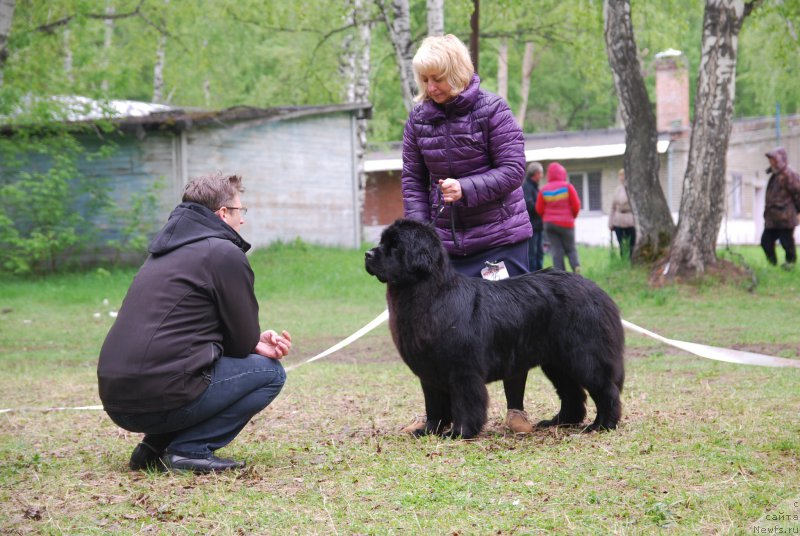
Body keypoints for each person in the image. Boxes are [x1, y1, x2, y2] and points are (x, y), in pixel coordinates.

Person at [97, 172, 292, 474]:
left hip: (116, 399)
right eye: (241, 211)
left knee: (188, 374)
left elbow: (188, 331)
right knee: (269, 373)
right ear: (223, 213)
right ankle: (190, 451)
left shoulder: (163, 251)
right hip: (159, 397)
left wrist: (254, 340)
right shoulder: (223, 252)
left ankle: (152, 448)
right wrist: (253, 341)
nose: (243, 220)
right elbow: (240, 345)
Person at [401, 34, 534, 434]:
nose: (430, 89)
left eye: (437, 78)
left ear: (457, 72)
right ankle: (436, 417)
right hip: (446, 247)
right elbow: (413, 180)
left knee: (510, 326)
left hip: (500, 238)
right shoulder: (419, 117)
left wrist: (467, 187)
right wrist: (424, 238)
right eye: (424, 80)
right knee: (435, 331)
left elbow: (514, 169)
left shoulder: (493, 109)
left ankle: (516, 409)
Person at [535, 162, 581, 273]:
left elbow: (539, 208)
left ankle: (561, 275)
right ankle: (576, 268)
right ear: (562, 173)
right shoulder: (567, 187)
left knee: (556, 250)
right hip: (566, 223)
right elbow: (576, 205)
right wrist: (572, 217)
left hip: (549, 225)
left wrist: (546, 218)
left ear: (549, 175)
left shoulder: (544, 190)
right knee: (570, 248)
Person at [761, 147, 800, 270]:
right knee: (765, 241)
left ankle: (790, 264)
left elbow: (798, 193)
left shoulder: (789, 174)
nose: (771, 162)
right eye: (770, 159)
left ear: (780, 160)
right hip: (772, 220)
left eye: (773, 159)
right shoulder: (774, 175)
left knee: (787, 243)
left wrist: (799, 212)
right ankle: (773, 265)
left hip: (785, 218)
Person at [608, 168, 636, 259]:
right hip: (618, 221)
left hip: (630, 221)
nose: (622, 177)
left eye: (623, 175)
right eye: (620, 175)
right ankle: (623, 260)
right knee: (621, 243)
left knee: (631, 243)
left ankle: (631, 260)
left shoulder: (633, 189)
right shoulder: (617, 190)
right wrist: (610, 222)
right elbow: (613, 207)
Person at [523, 162, 545, 271]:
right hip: (532, 227)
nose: (542, 176)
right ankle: (534, 277)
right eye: (541, 173)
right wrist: (543, 207)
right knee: (532, 255)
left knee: (540, 253)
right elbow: (529, 205)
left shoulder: (536, 187)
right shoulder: (526, 187)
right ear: (536, 174)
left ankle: (540, 276)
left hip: (539, 226)